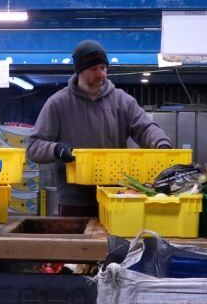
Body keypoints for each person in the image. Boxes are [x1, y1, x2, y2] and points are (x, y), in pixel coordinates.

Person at [27, 39, 172, 217]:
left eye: (103, 67)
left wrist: (162, 144)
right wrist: (55, 149)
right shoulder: (58, 103)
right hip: (75, 202)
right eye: (94, 69)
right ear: (80, 71)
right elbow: (33, 147)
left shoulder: (122, 100)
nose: (101, 74)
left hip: (116, 197)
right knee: (79, 246)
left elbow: (145, 128)